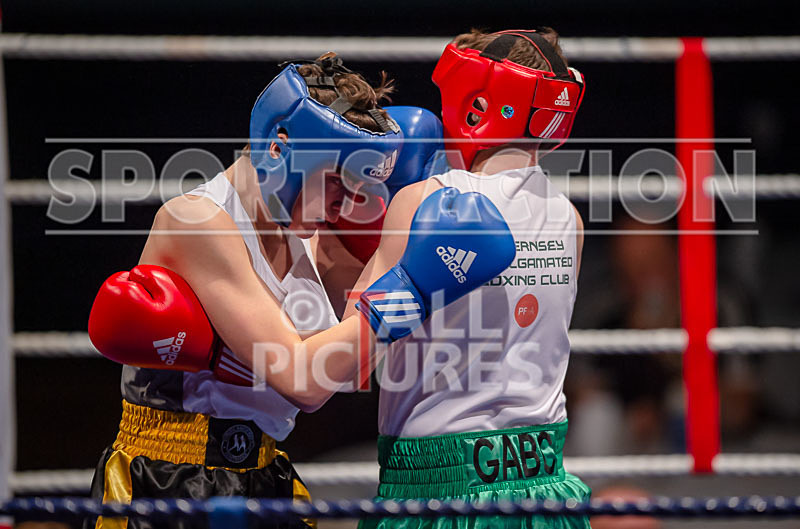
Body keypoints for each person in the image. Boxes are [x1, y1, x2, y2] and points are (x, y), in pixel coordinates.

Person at [86, 53, 514, 529]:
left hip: (264, 472)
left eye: (355, 187)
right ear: (279, 148)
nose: (345, 205)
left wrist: (399, 244)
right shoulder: (197, 222)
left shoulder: (307, 231)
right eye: (335, 182)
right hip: (169, 480)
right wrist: (411, 288)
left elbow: (352, 366)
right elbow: (304, 379)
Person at [342, 27, 592, 528]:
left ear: (475, 102)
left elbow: (348, 363)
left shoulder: (422, 200)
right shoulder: (570, 220)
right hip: (548, 483)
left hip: (437, 487)